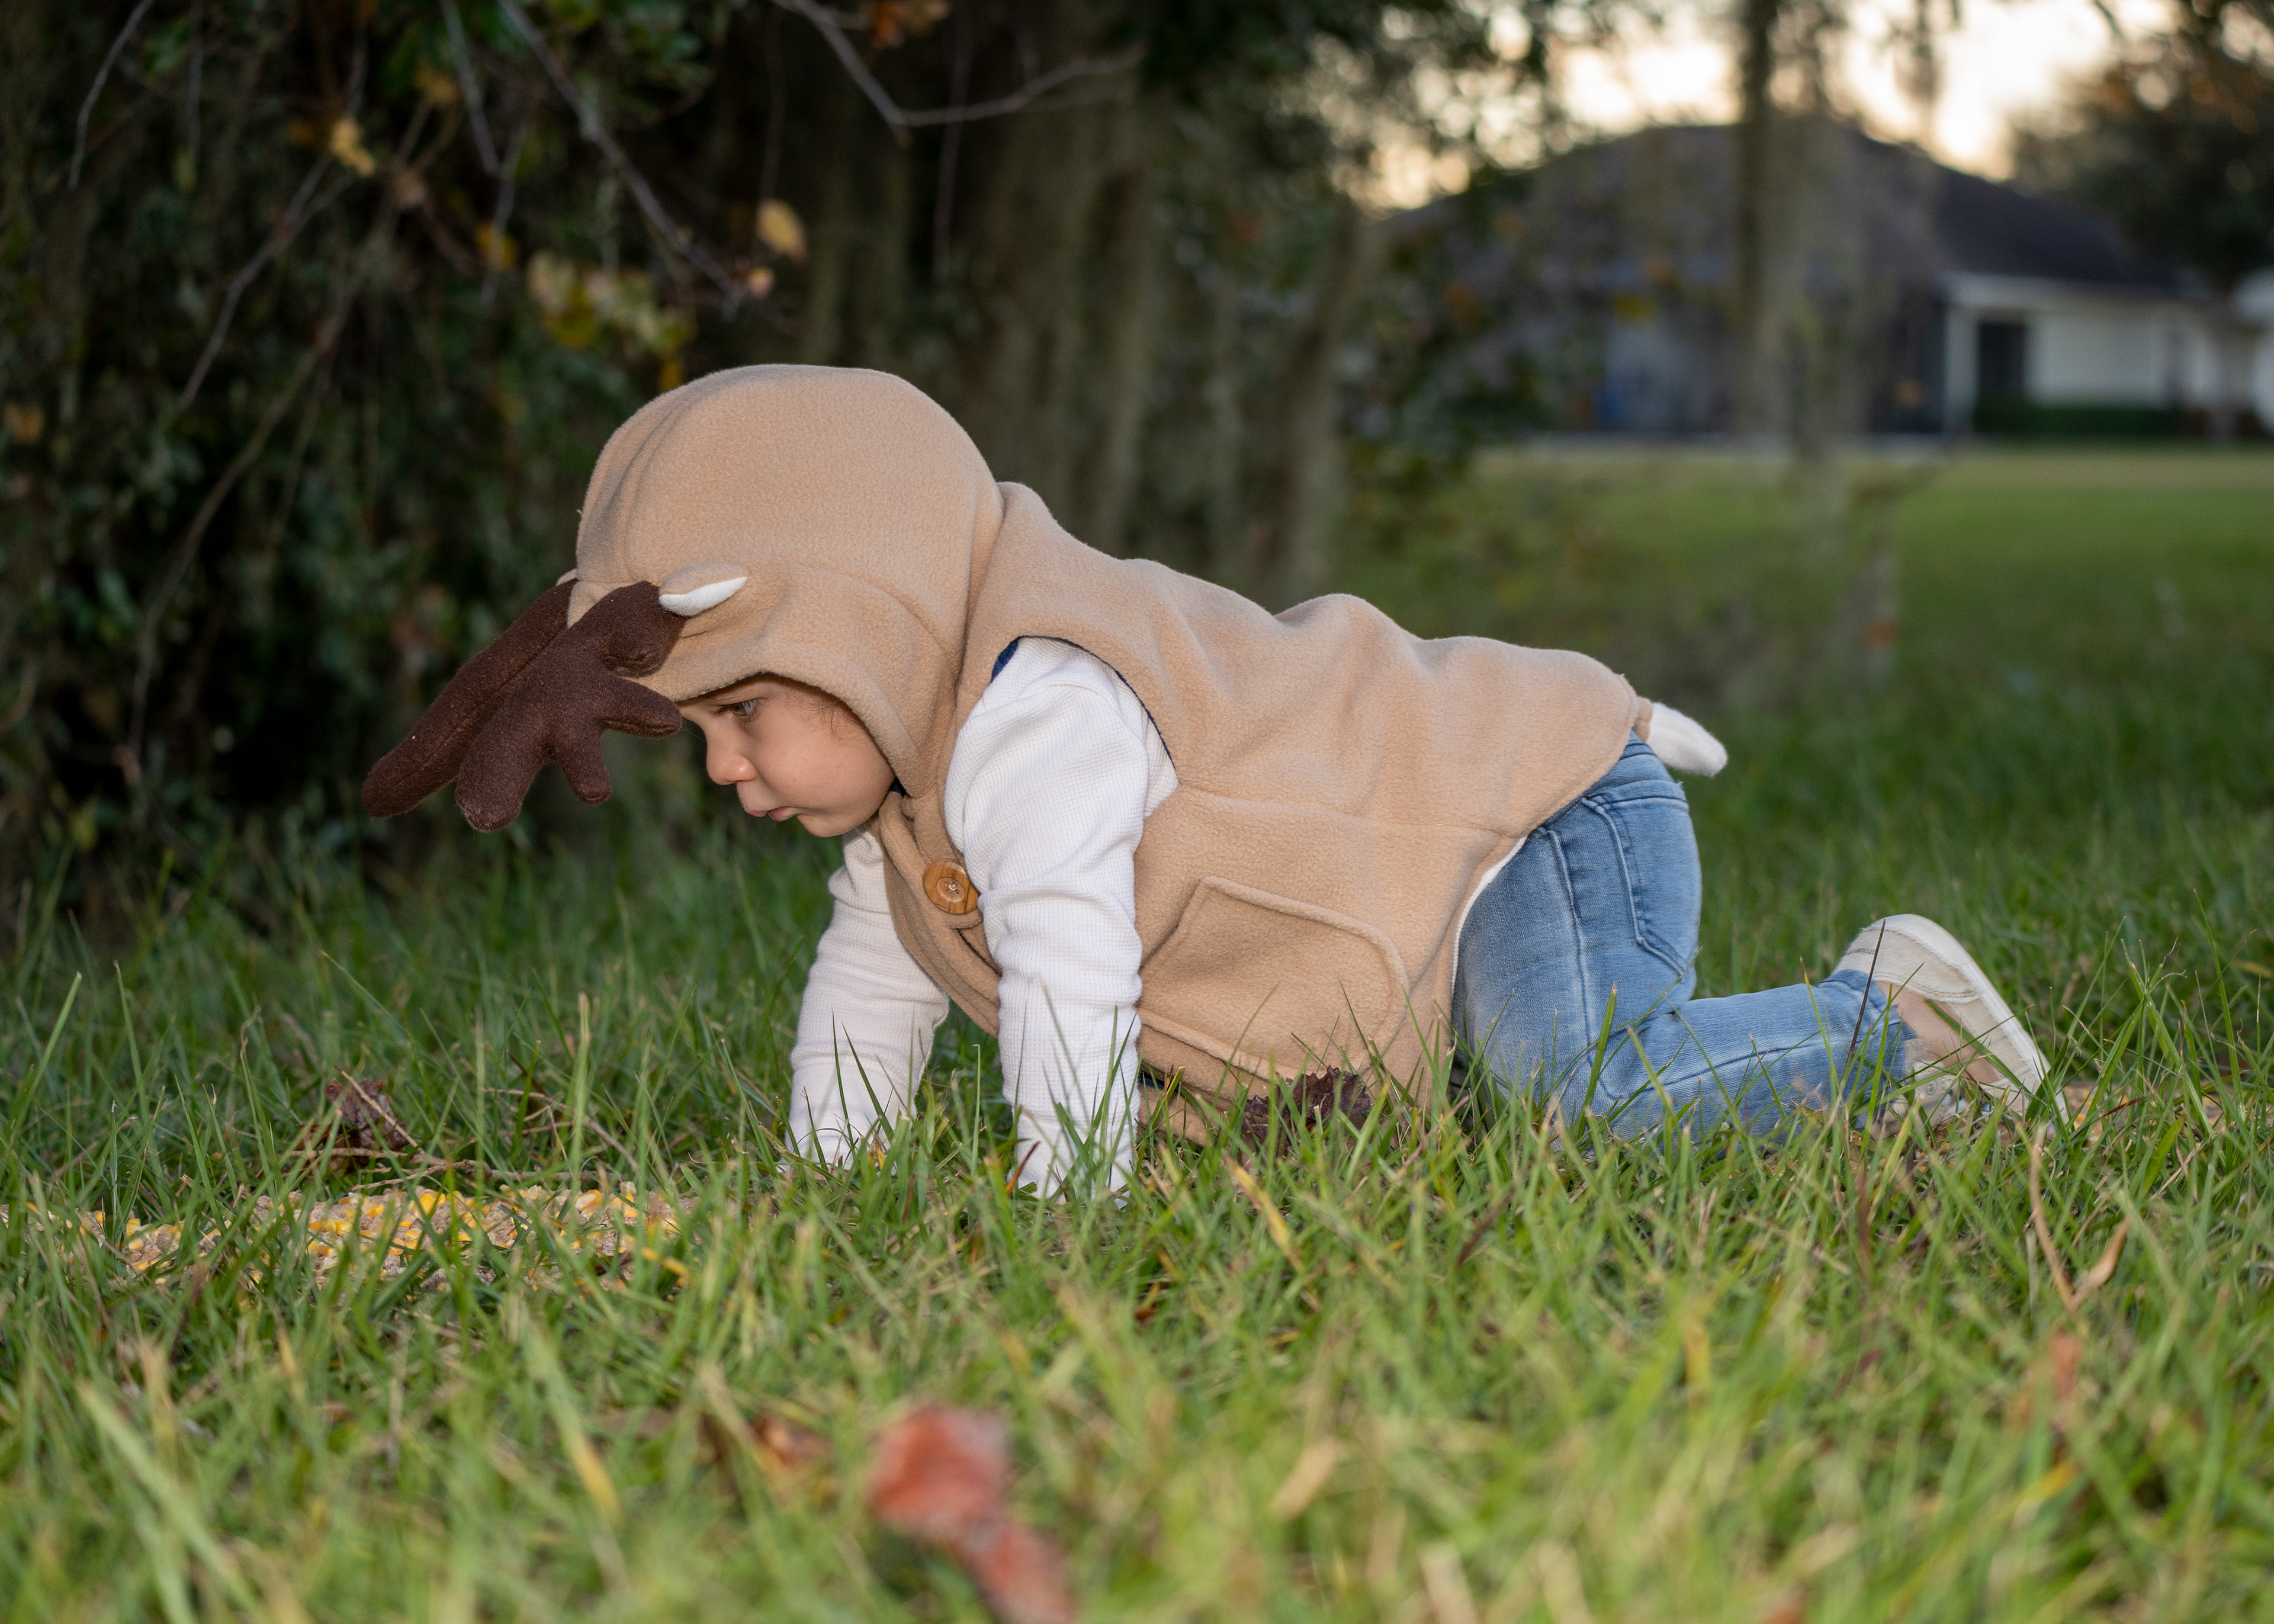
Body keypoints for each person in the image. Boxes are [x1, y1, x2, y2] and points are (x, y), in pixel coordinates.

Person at [364, 366, 2049, 1195]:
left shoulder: (1038, 716)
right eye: (705, 738)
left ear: (865, 626)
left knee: (1575, 1102)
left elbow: (1072, 978)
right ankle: (1826, 1051)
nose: (730, 772)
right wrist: (829, 1191)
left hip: (1534, 812)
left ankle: (1889, 1023)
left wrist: (1069, 1211)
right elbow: (868, 1001)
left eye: (741, 714)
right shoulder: (908, 803)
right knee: (1498, 1125)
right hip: (1458, 889)